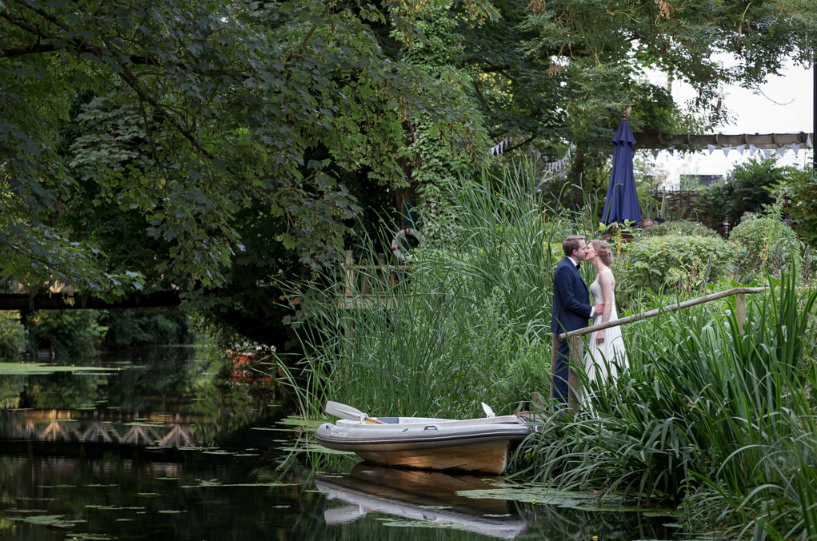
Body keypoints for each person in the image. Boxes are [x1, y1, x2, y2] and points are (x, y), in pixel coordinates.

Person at [551, 236, 604, 406]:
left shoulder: (570, 267)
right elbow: (569, 301)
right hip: (568, 325)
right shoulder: (565, 269)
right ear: (575, 251)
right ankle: (559, 406)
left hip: (572, 324)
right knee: (563, 366)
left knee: (567, 364)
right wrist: (592, 310)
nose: (586, 250)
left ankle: (566, 403)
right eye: (583, 248)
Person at [583, 240, 628, 384]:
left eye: (588, 248)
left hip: (606, 322)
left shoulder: (604, 274)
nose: (585, 250)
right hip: (600, 319)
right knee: (598, 360)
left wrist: (602, 329)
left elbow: (608, 303)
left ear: (596, 251)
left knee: (604, 358)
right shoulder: (599, 273)